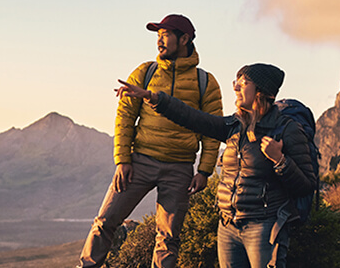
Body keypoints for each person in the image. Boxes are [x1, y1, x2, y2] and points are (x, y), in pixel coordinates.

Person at [115, 63, 317, 268]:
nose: (236, 88)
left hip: (264, 227)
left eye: (243, 83)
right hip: (228, 226)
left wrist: (280, 161)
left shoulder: (287, 130)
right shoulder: (234, 126)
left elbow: (307, 185)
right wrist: (153, 97)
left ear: (261, 92)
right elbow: (192, 117)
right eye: (236, 83)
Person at [78, 14, 223, 268]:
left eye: (165, 35)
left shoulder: (205, 83)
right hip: (139, 162)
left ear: (185, 39)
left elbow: (212, 130)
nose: (159, 41)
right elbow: (124, 117)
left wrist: (204, 170)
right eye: (158, 36)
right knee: (105, 221)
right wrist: (122, 160)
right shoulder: (145, 72)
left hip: (179, 169)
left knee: (168, 238)